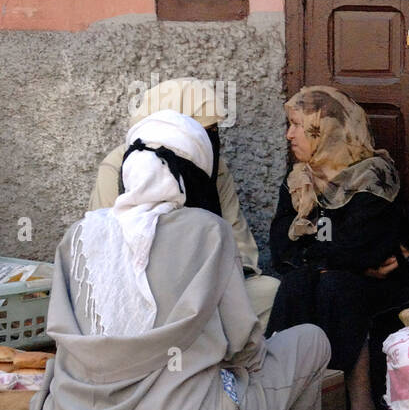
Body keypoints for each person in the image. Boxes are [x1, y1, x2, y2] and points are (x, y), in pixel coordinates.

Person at [33, 111, 331, 410]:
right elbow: (243, 345)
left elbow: (60, 336)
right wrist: (237, 375)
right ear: (192, 176)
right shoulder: (207, 231)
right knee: (310, 342)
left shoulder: (77, 236)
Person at [266, 87, 409, 410]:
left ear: (327, 131)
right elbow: (280, 246)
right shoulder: (300, 179)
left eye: (299, 126)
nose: (289, 135)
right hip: (326, 277)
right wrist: (331, 259)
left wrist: (328, 258)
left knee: (339, 286)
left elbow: (365, 245)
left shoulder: (373, 176)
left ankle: (360, 408)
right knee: (299, 284)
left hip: (383, 284)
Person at [90, 77, 279, 327]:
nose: (210, 139)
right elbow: (105, 247)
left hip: (211, 286)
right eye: (202, 130)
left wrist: (213, 280)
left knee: (270, 291)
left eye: (213, 131)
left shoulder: (212, 166)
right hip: (144, 290)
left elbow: (238, 242)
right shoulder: (118, 167)